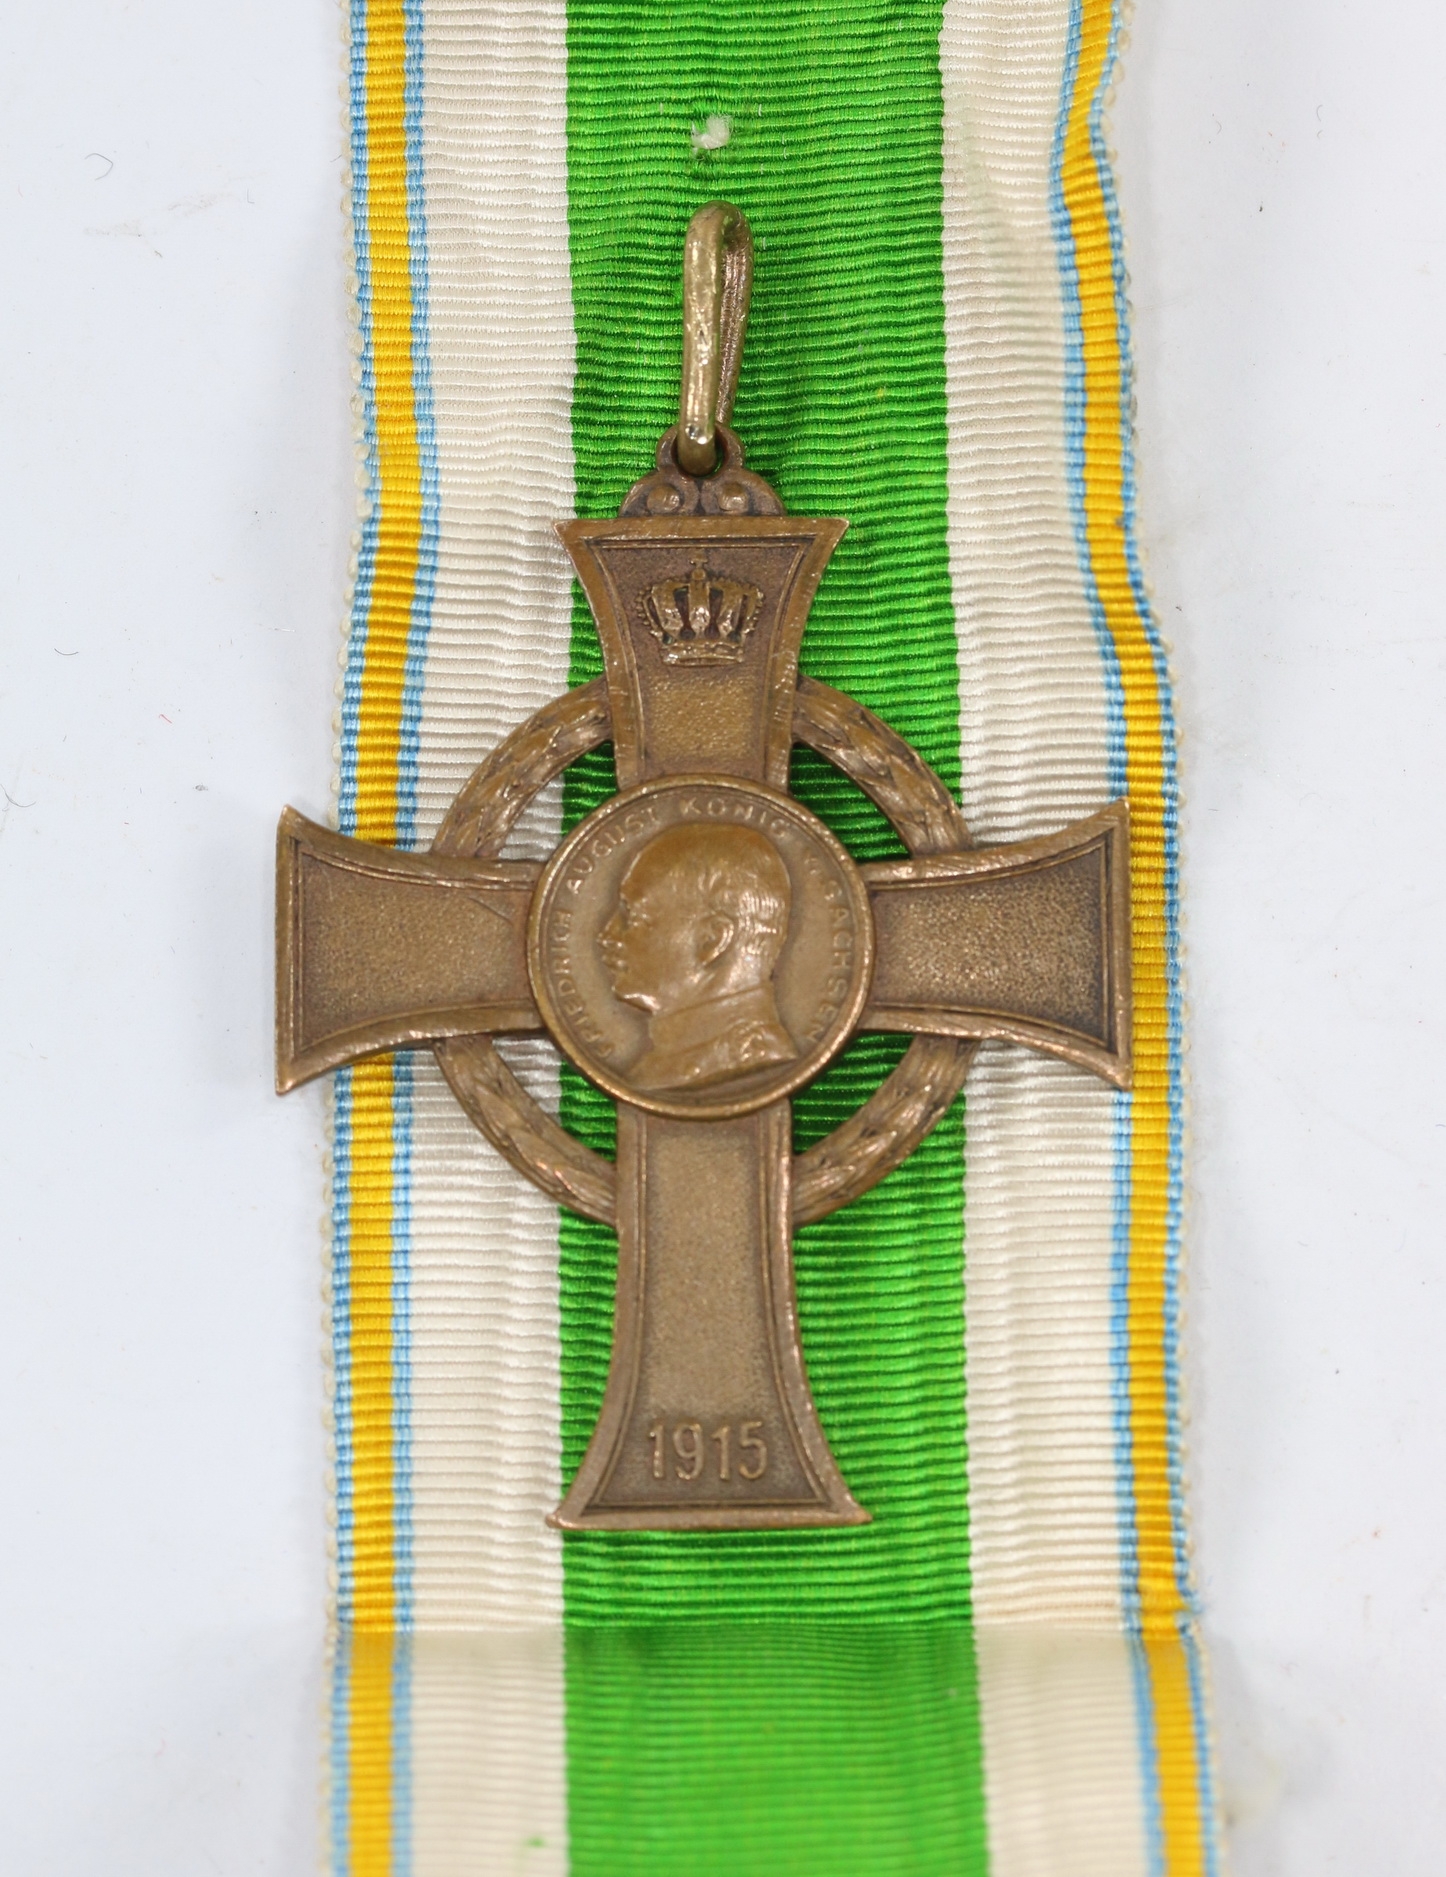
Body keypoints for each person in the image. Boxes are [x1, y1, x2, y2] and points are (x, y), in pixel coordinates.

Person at [598, 821, 798, 1092]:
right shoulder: (658, 1066)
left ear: (712, 940)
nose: (607, 935)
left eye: (634, 917)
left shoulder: (745, 1058)